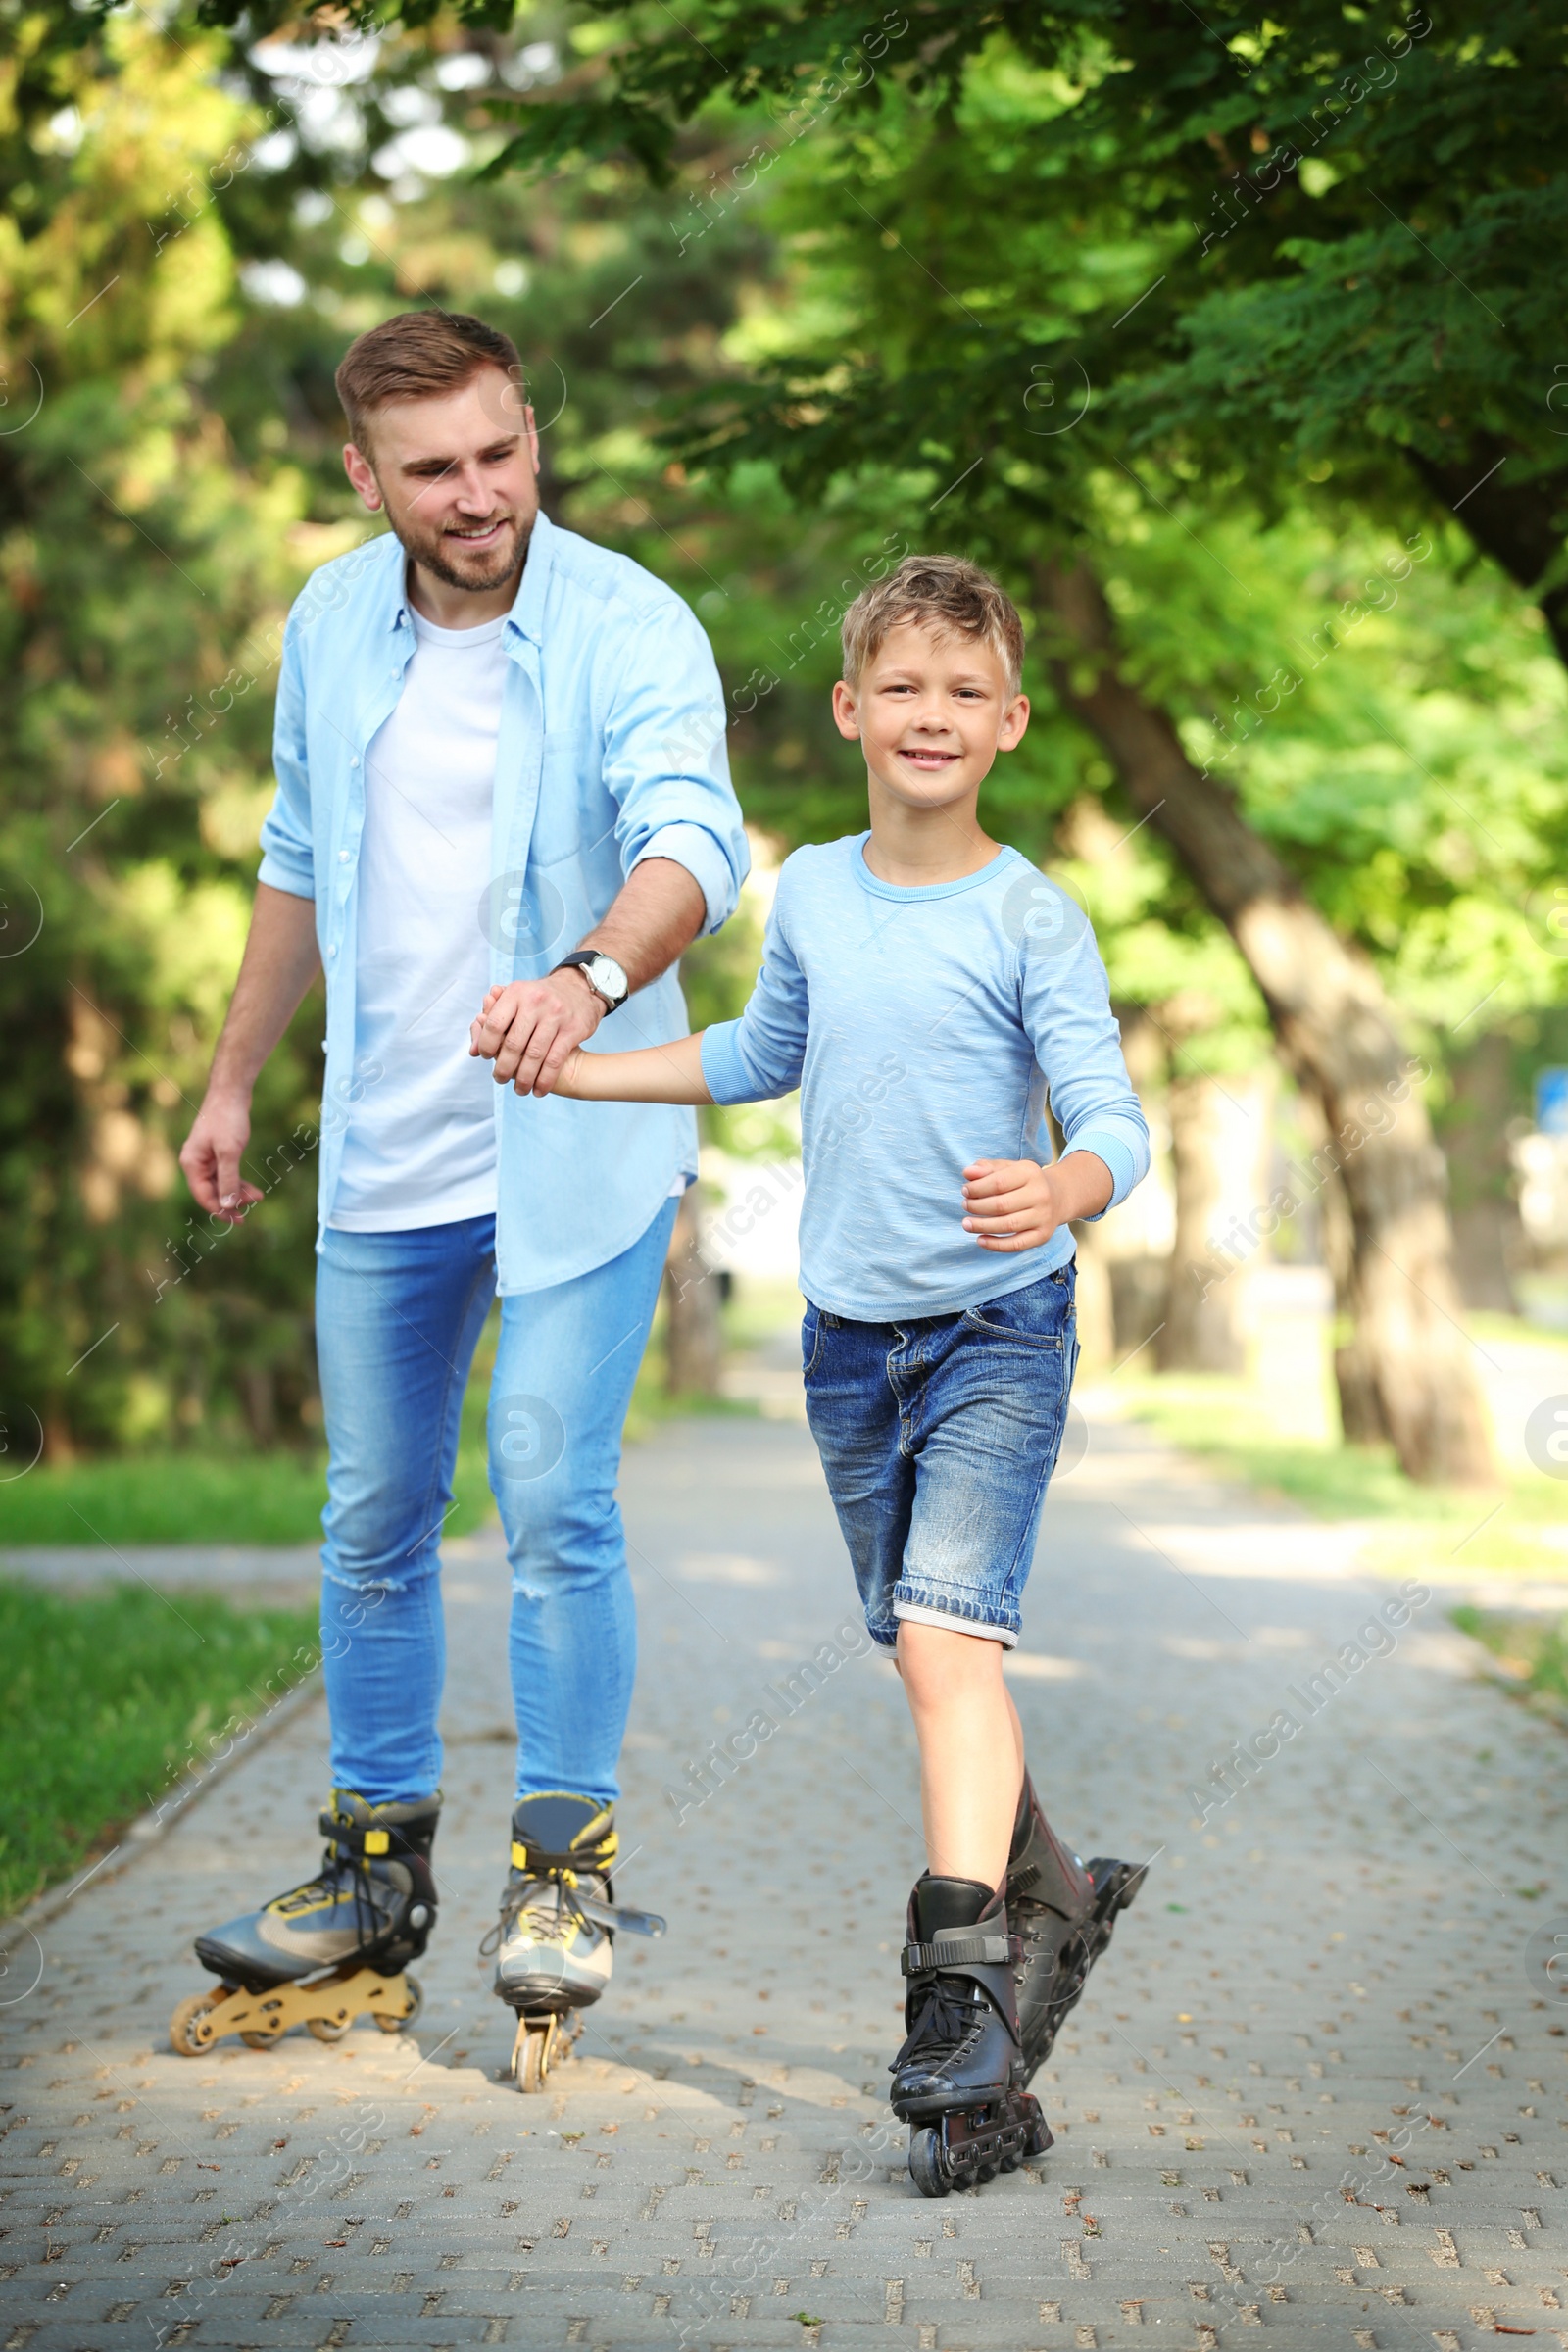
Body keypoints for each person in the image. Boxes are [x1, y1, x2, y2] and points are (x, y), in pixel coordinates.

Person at [473, 553, 1151, 2184]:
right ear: (852, 708)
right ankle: (1045, 1881)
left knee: (945, 1634)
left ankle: (958, 1987)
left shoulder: (1029, 914)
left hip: (1000, 1330)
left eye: (962, 694)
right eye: (900, 688)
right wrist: (585, 1075)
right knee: (931, 1661)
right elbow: (759, 1056)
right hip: (850, 1343)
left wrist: (1062, 1186)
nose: (931, 716)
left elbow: (1116, 1117)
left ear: (1011, 724)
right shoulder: (819, 894)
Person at [173, 311, 748, 2083]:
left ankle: (564, 1875)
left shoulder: (630, 620)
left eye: (503, 452)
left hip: (576, 1144)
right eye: (435, 468)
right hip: (388, 1150)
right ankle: (370, 1877)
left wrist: (583, 977)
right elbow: (292, 862)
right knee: (369, 1516)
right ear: (364, 476)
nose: (481, 492)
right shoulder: (330, 622)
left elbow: (693, 845)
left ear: (529, 437)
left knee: (554, 1496)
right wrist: (234, 1076)